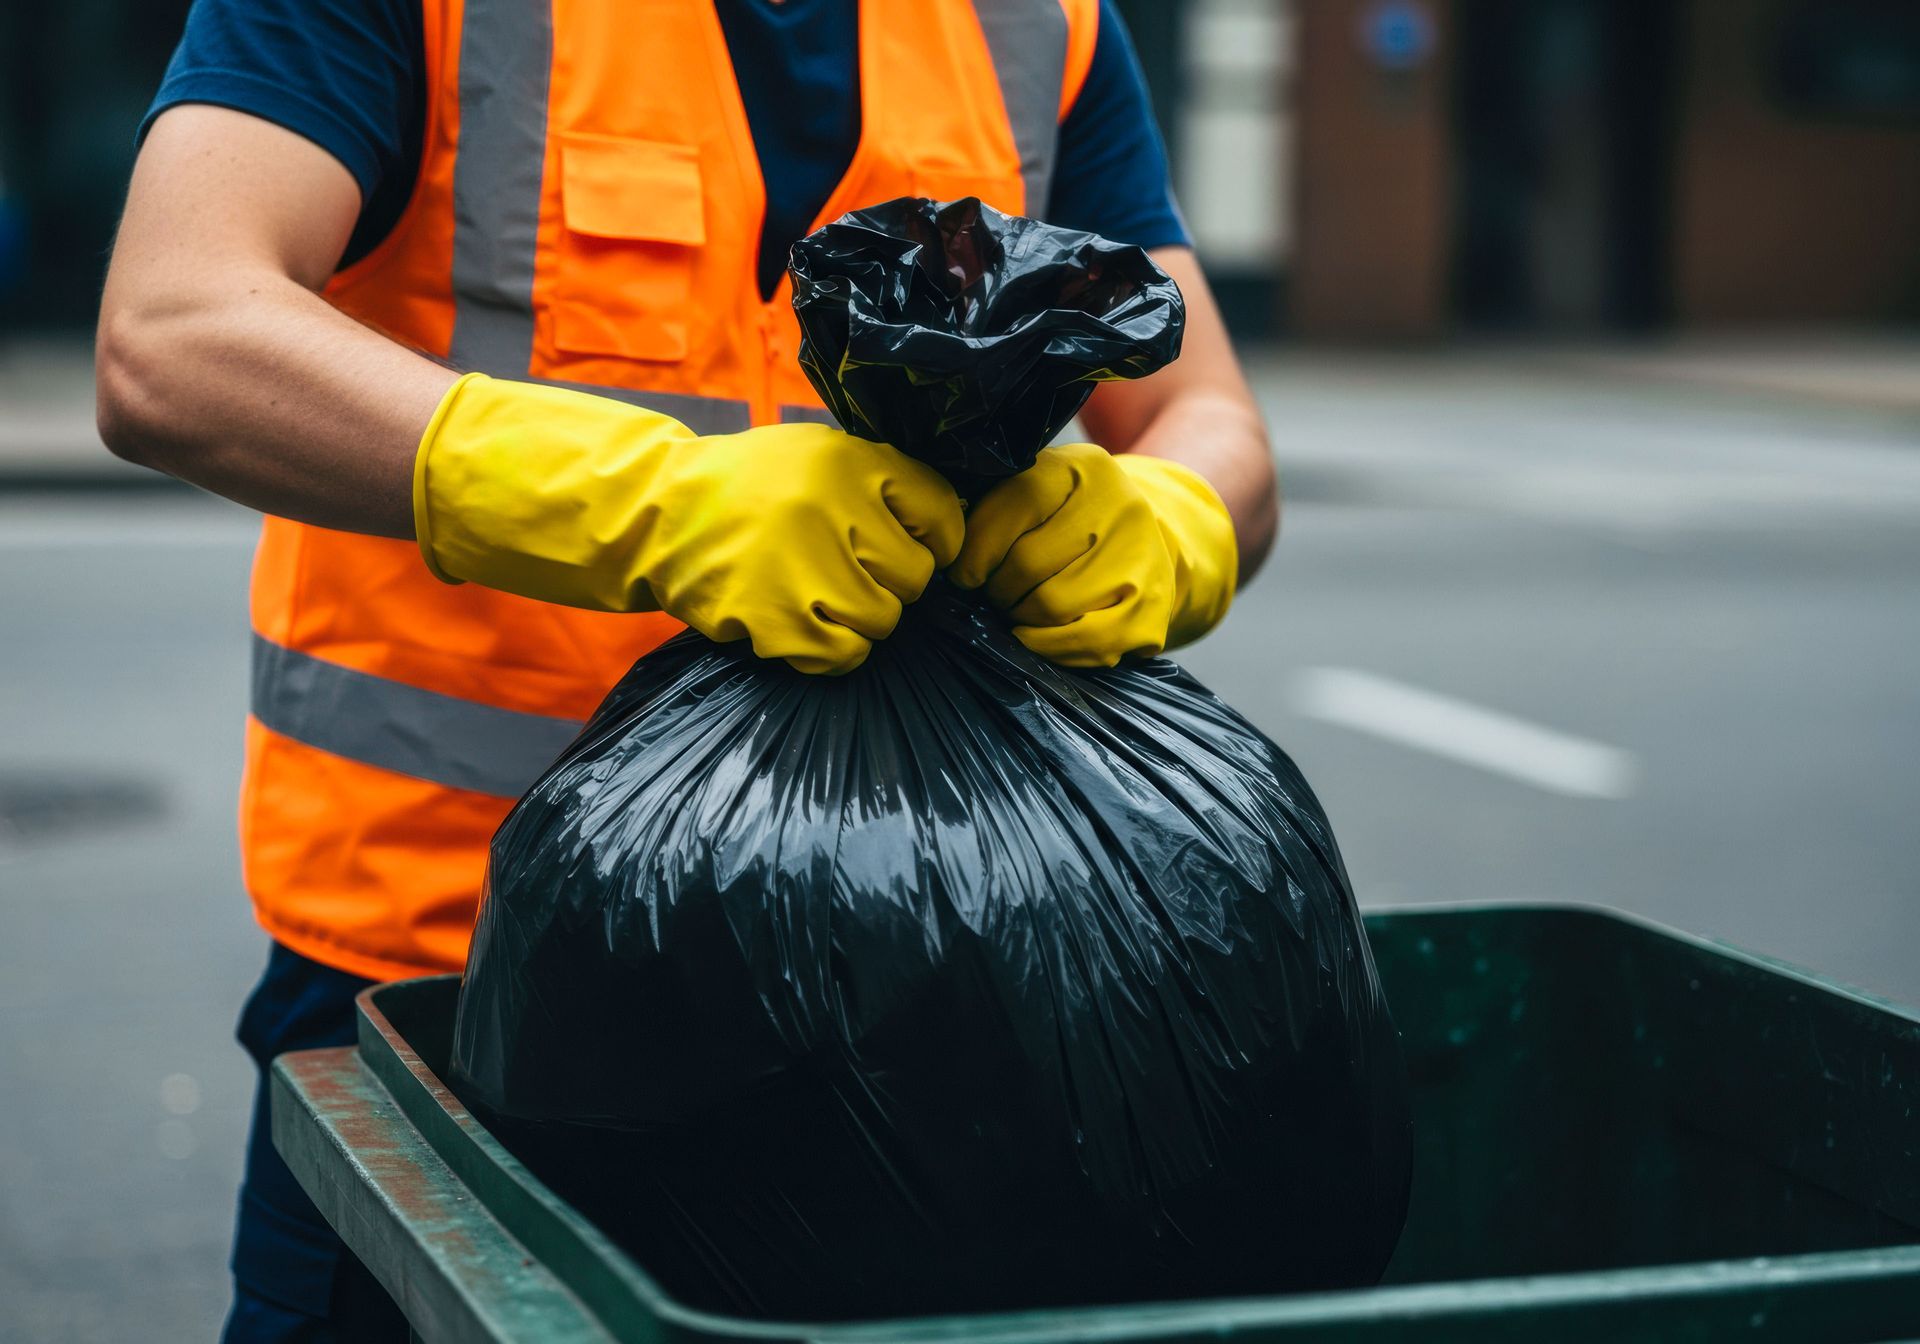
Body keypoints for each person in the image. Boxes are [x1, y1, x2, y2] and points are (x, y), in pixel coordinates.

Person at [96, 0, 1279, 1338]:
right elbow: (173, 333)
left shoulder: (1035, 25)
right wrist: (658, 504)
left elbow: (1209, 414)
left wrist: (1172, 516)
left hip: (927, 1013)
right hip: (442, 1003)